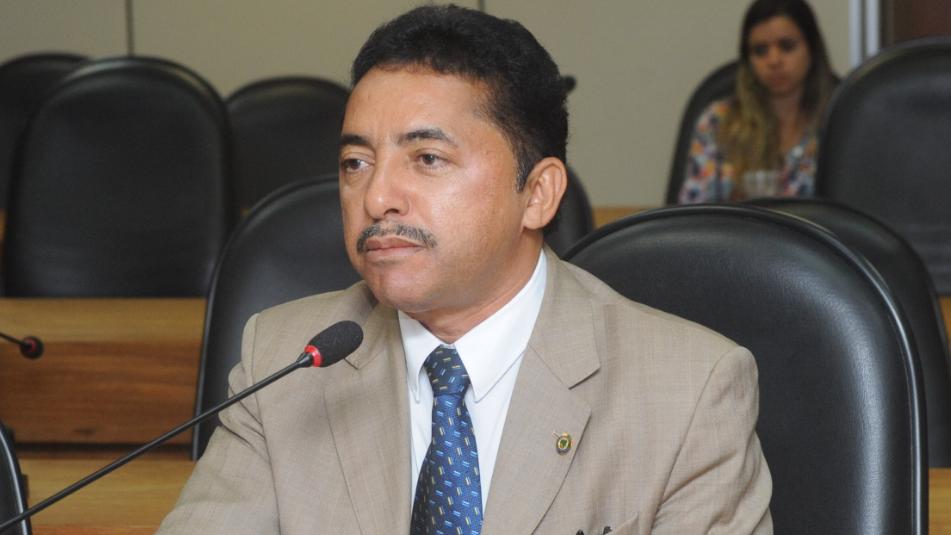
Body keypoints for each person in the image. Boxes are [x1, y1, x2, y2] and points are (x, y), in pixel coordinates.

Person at [159, 5, 772, 534]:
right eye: (355, 163)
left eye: (427, 158)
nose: (377, 197)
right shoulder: (283, 363)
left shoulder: (689, 391)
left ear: (537, 194)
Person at [679, 0, 837, 203]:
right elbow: (692, 213)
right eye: (760, 51)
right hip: (735, 225)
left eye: (787, 46)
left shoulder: (840, 123)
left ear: (812, 49)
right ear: (748, 60)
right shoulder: (717, 122)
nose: (774, 60)